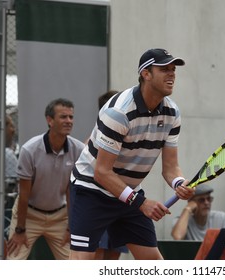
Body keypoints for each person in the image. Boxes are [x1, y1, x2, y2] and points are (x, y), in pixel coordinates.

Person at [69, 48, 195, 260]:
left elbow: (171, 168)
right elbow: (102, 173)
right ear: (146, 73)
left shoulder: (172, 113)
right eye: (164, 69)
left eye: (173, 69)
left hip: (127, 194)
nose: (172, 74)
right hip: (91, 191)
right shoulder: (119, 112)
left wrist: (179, 184)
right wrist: (141, 203)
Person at [6, 98, 84, 260]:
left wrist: (72, 227)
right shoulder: (30, 150)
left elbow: (72, 191)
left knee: (76, 264)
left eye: (71, 117)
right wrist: (20, 230)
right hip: (28, 217)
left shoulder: (78, 150)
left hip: (60, 218)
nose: (69, 121)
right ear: (49, 120)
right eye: (63, 117)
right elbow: (24, 194)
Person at [93, 90, 129, 260]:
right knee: (96, 256)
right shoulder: (92, 144)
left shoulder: (127, 138)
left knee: (113, 258)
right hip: (98, 205)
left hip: (121, 203)